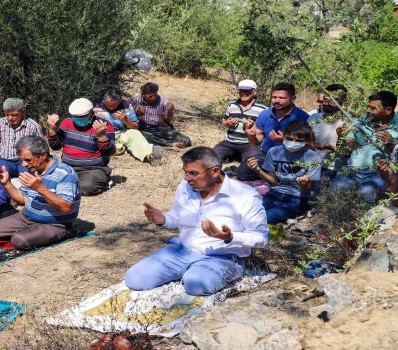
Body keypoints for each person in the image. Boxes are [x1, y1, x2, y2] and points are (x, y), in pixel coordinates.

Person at [124, 147, 269, 296]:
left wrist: (230, 237)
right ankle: (188, 269)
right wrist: (163, 219)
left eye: (193, 173)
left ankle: (203, 272)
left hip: (221, 257)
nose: (187, 178)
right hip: (181, 250)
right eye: (185, 172)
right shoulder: (185, 187)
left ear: (215, 172)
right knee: (134, 279)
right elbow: (178, 216)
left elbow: (262, 238)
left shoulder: (246, 197)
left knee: (196, 285)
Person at [0, 136, 81, 249]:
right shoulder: (32, 170)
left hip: (55, 223)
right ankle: (30, 231)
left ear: (43, 155)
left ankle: (64, 232)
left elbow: (66, 207)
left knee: (19, 240)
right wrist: (6, 183)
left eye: (27, 160)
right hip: (26, 217)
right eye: (21, 160)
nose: (24, 165)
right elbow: (22, 200)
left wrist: (40, 188)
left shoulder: (65, 173)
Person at [331, 91, 398, 203]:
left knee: (367, 193)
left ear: (388, 110)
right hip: (352, 170)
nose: (367, 111)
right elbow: (349, 146)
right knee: (336, 190)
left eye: (372, 108)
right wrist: (341, 136)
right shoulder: (362, 120)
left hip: (379, 175)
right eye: (367, 106)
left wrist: (392, 145)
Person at [247, 120, 321, 223]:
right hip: (274, 193)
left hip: (296, 198)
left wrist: (304, 184)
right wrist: (258, 170)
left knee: (265, 218)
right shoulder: (274, 151)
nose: (293, 143)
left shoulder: (313, 157)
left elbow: (306, 191)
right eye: (290, 139)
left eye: (299, 141)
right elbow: (273, 182)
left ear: (306, 141)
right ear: (284, 135)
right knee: (251, 212)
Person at [240, 82, 310, 180]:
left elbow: (310, 146)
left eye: (282, 98)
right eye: (274, 97)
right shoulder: (265, 114)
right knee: (241, 173)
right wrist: (251, 135)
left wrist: (285, 142)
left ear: (293, 99)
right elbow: (256, 142)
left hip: (291, 159)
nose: (276, 100)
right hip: (265, 156)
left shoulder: (303, 117)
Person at [47, 98, 116, 196]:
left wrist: (102, 136)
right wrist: (52, 129)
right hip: (68, 167)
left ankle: (103, 180)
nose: (79, 119)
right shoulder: (67, 122)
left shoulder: (103, 125)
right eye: (76, 117)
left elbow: (110, 152)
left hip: (93, 169)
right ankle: (71, 183)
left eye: (83, 116)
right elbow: (55, 146)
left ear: (92, 113)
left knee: (87, 187)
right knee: (48, 182)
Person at [93, 88, 162, 166]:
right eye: (108, 105)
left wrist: (126, 120)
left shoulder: (126, 105)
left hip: (121, 132)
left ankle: (150, 157)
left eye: (115, 105)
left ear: (120, 101)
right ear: (104, 99)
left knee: (134, 133)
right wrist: (92, 117)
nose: (111, 108)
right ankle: (121, 148)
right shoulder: (95, 104)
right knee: (113, 149)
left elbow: (135, 126)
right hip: (103, 133)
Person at [0, 98, 44, 177]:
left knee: (26, 178)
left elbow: (41, 147)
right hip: (5, 160)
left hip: (25, 161)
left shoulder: (33, 126)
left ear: (23, 112)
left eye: (14, 115)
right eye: (7, 115)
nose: (10, 118)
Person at [213, 79, 268, 165]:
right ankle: (233, 156)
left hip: (249, 144)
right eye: (241, 90)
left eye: (247, 91)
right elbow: (224, 121)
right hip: (229, 142)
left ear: (254, 92)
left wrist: (252, 127)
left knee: (250, 165)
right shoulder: (232, 105)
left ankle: (238, 158)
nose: (243, 93)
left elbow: (265, 129)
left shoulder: (263, 108)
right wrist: (227, 123)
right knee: (211, 158)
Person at [131, 82, 192, 149]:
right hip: (143, 128)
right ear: (142, 94)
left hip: (160, 127)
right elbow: (128, 118)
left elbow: (167, 120)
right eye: (150, 96)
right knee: (140, 135)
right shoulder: (135, 100)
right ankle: (169, 144)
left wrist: (170, 112)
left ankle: (159, 141)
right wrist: (136, 114)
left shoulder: (163, 100)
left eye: (155, 95)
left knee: (186, 141)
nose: (153, 98)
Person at [307, 84, 348, 179]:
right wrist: (311, 143)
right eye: (326, 98)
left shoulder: (349, 123)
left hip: (332, 169)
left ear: (344, 102)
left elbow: (348, 153)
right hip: (309, 164)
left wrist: (333, 146)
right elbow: (305, 140)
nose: (327, 102)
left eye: (334, 99)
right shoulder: (313, 118)